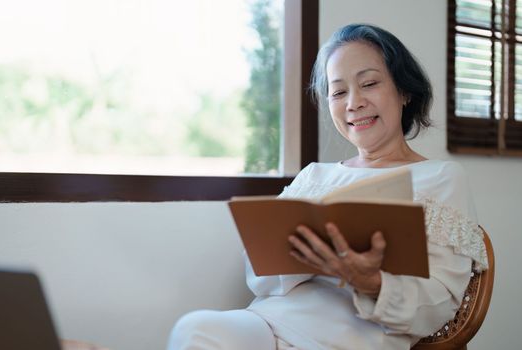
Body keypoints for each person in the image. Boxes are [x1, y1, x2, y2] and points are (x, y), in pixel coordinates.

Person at [167, 23, 489, 350]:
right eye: (338, 92)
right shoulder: (312, 176)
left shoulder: (441, 177)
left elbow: (441, 304)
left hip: (353, 339)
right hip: (269, 324)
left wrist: (371, 282)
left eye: (370, 83)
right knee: (194, 330)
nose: (354, 102)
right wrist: (308, 256)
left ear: (404, 91)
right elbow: (259, 279)